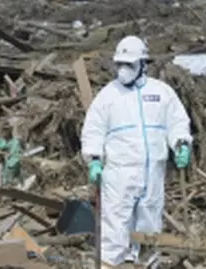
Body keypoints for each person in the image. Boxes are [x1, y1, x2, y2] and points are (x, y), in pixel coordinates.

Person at [80, 35, 193, 267]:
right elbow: (93, 129)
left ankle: (148, 263)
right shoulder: (108, 96)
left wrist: (181, 144)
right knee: (115, 225)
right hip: (119, 173)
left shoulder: (161, 93)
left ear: (143, 64)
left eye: (129, 64)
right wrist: (94, 159)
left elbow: (177, 122)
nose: (123, 69)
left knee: (149, 226)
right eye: (120, 64)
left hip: (153, 172)